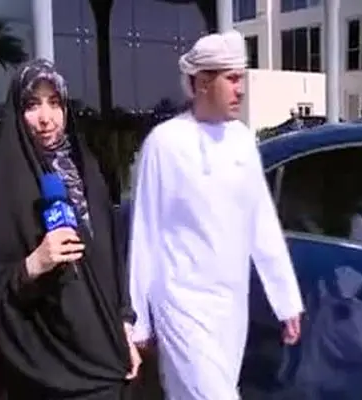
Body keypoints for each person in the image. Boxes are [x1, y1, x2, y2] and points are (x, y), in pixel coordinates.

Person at [128, 30, 304, 400]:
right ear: (203, 82)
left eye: (242, 78)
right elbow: (145, 231)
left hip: (230, 308)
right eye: (233, 79)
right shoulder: (164, 143)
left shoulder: (242, 140)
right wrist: (138, 318)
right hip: (180, 305)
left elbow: (261, 225)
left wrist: (286, 300)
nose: (241, 90)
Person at [0, 59, 141, 400]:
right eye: (32, 105)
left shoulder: (87, 171)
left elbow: (112, 258)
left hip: (105, 357)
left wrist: (124, 325)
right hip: (51, 371)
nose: (46, 117)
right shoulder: (4, 188)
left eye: (54, 103)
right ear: (17, 114)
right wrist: (34, 264)